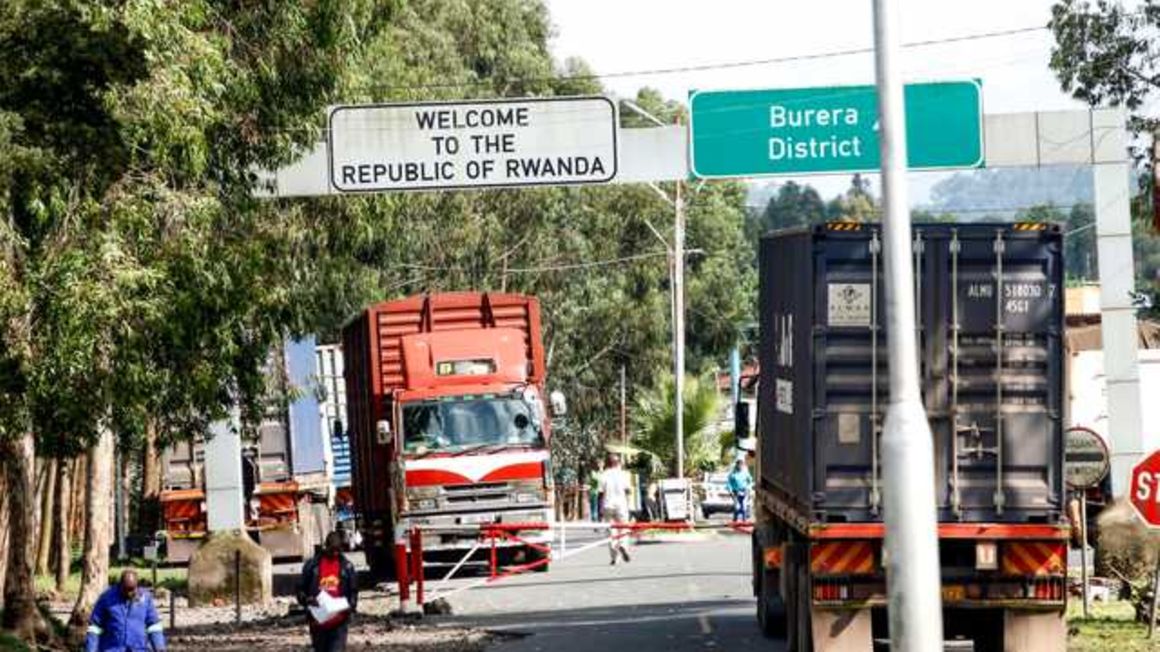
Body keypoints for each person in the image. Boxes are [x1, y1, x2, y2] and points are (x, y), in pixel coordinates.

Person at [297, 532, 359, 652]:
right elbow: (300, 589)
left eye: (338, 550)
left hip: (339, 622)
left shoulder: (347, 567)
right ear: (326, 547)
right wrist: (307, 600)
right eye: (332, 550)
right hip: (317, 623)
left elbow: (353, 591)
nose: (335, 553)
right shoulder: (312, 566)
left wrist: (350, 606)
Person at [84, 570, 166, 652]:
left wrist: (159, 647)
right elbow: (95, 628)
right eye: (126, 589)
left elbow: (153, 626)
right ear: (120, 585)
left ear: (137, 586)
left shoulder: (145, 599)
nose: (129, 593)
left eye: (132, 589)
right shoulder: (106, 598)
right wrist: (91, 649)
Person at [598, 453, 632, 565]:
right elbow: (628, 491)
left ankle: (614, 558)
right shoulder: (624, 474)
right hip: (621, 505)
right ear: (618, 463)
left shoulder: (603, 475)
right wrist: (629, 505)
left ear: (608, 463)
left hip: (608, 505)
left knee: (611, 531)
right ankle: (622, 545)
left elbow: (601, 493)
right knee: (624, 528)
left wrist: (600, 510)